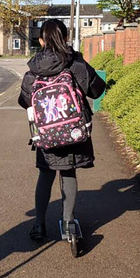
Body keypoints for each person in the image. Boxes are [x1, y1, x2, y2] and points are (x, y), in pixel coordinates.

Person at [18, 18, 106, 241]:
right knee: (68, 171)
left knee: (45, 174)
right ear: (66, 37)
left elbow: (25, 101)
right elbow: (96, 91)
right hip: (74, 131)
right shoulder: (76, 64)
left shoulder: (33, 70)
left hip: (46, 133)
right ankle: (68, 224)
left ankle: (38, 224)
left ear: (40, 41)